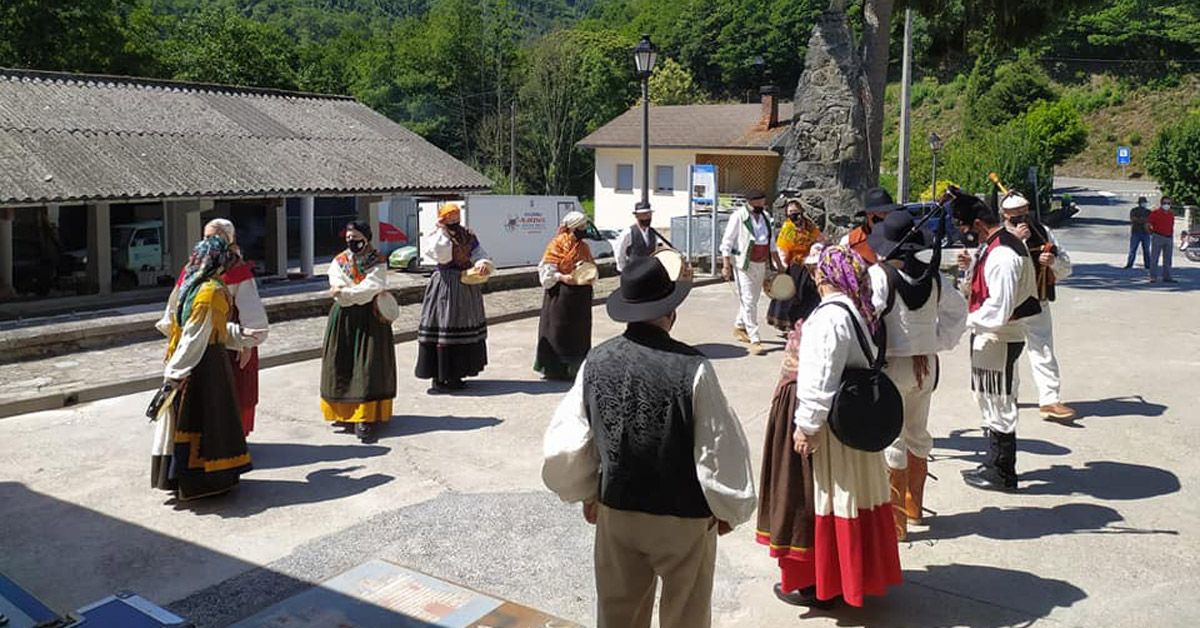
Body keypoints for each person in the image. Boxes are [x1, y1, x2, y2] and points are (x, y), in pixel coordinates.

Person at [542, 256, 756, 628]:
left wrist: (587, 491)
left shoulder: (596, 361)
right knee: (685, 616)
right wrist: (729, 507)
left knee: (617, 614)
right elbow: (718, 446)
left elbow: (569, 440)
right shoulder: (694, 368)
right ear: (670, 312)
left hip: (618, 510)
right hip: (682, 518)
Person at [785, 245, 903, 608]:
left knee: (833, 497)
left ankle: (829, 584)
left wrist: (806, 426)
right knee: (858, 496)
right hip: (857, 423)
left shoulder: (828, 317)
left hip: (836, 432)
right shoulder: (856, 310)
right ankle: (856, 576)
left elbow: (820, 378)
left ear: (824, 276)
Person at [866, 211, 967, 541]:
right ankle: (914, 508)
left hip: (894, 366)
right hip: (926, 365)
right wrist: (936, 341)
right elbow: (957, 311)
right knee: (918, 431)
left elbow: (869, 315)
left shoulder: (880, 276)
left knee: (892, 436)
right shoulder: (936, 278)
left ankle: (896, 524)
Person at [152, 236, 252, 500]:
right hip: (206, 365)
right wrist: (175, 373)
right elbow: (195, 335)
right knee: (208, 420)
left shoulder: (190, 284)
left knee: (191, 419)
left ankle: (185, 479)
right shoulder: (210, 291)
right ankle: (205, 483)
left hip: (196, 358)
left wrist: (239, 336)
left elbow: (191, 327)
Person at [953, 194, 1041, 492]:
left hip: (999, 336)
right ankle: (994, 462)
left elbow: (998, 309)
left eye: (966, 227)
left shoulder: (1003, 254)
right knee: (989, 397)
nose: (965, 232)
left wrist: (962, 322)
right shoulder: (995, 245)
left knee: (999, 400)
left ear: (978, 223)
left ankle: (1003, 471)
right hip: (993, 336)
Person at [1000, 192, 1077, 421]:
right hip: (1010, 305)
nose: (1022, 218)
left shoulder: (1043, 231)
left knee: (1043, 350)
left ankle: (1049, 400)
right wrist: (1018, 241)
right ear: (1005, 215)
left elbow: (1066, 266)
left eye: (1024, 212)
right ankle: (1007, 396)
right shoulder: (999, 237)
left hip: (1038, 301)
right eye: (1015, 215)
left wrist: (1052, 263)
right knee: (1008, 351)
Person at [320, 221, 396, 443]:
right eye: (348, 238)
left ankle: (366, 417)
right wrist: (342, 292)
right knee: (341, 361)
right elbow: (334, 279)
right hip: (343, 315)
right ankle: (344, 412)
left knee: (368, 364)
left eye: (355, 237)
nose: (351, 241)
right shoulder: (340, 260)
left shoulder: (378, 260)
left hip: (370, 315)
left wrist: (346, 294)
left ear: (367, 237)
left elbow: (372, 287)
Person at [416, 203, 492, 390]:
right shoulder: (437, 236)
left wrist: (482, 263)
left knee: (463, 324)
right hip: (445, 284)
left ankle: (456, 374)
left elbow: (478, 253)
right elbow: (441, 256)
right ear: (443, 218)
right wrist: (442, 231)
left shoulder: (467, 234)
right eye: (449, 217)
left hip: (466, 283)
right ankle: (440, 376)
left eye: (455, 217)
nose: (453, 220)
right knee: (445, 324)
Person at [535, 211, 596, 380]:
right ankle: (555, 369)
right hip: (560, 295)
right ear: (572, 228)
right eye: (581, 227)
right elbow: (547, 268)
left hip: (580, 296)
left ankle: (575, 369)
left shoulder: (584, 247)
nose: (584, 230)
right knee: (557, 331)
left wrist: (589, 274)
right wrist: (561, 277)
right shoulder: (557, 244)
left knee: (579, 333)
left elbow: (591, 265)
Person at [721, 190, 778, 355]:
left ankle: (739, 326)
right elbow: (727, 242)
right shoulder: (738, 217)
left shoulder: (766, 217)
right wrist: (726, 265)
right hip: (743, 264)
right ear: (750, 202)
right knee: (748, 299)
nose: (761, 205)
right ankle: (755, 338)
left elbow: (771, 242)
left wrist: (778, 264)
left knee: (752, 298)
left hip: (761, 263)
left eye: (763, 202)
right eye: (758, 202)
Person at [767, 199, 824, 331]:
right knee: (790, 295)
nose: (794, 215)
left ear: (801, 211)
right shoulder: (787, 229)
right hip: (793, 267)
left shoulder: (809, 226)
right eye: (790, 212)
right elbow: (782, 247)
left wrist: (816, 249)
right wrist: (781, 266)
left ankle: (806, 321)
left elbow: (819, 238)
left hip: (807, 265)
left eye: (795, 211)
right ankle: (788, 323)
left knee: (810, 295)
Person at [838, 188, 902, 264]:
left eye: (889, 212)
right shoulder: (850, 241)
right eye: (882, 213)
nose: (887, 217)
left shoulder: (899, 236)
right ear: (869, 215)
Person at [614, 202, 658, 272]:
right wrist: (624, 271)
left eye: (649, 214)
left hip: (649, 272)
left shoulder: (653, 233)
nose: (647, 217)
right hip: (633, 272)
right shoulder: (628, 232)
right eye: (644, 214)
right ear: (637, 216)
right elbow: (620, 252)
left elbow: (655, 251)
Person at [1147, 196, 1177, 283]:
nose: (1166, 205)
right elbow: (1148, 224)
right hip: (1158, 236)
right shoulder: (1155, 213)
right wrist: (1151, 233)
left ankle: (1167, 276)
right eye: (1164, 203)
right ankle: (1153, 277)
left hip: (1169, 238)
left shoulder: (1171, 214)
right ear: (1161, 203)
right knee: (1154, 258)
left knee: (1168, 259)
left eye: (1168, 203)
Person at [1125, 196, 1151, 269]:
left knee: (1146, 250)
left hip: (1146, 233)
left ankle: (1148, 265)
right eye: (1142, 202)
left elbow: (1150, 220)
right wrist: (1142, 220)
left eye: (1144, 202)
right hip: (1136, 232)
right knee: (1132, 249)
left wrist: (1141, 220)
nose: (1143, 204)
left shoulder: (1148, 212)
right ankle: (1129, 264)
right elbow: (1133, 219)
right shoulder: (1134, 210)